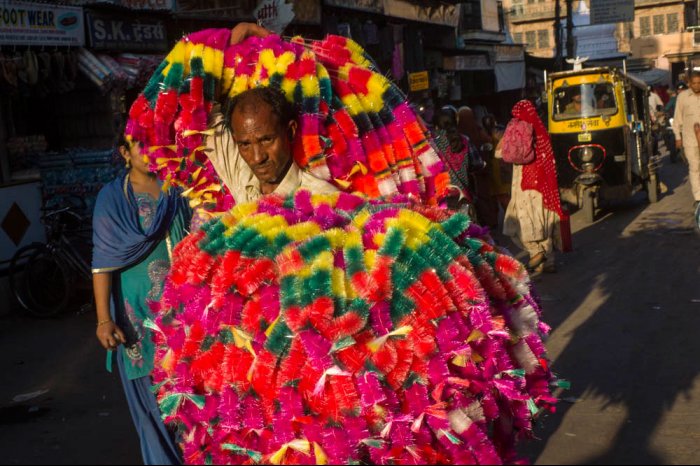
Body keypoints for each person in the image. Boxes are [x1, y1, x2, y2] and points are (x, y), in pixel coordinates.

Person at [92, 133, 192, 465]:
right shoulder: (112, 199)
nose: (151, 152)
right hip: (136, 325)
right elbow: (102, 263)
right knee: (153, 418)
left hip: (185, 320)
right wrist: (104, 320)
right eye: (140, 145)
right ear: (124, 152)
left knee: (192, 413)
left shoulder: (176, 189)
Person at [205, 87, 338, 204]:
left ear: (290, 132)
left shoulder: (324, 201)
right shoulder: (242, 176)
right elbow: (198, 108)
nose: (257, 158)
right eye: (245, 144)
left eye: (266, 140)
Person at [503, 100, 569, 273]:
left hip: (523, 183)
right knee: (544, 222)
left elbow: (501, 153)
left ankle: (536, 252)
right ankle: (548, 261)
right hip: (542, 186)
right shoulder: (541, 131)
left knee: (521, 219)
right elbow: (549, 161)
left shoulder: (515, 127)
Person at [433, 107, 477, 212]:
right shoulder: (465, 140)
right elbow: (476, 164)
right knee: (468, 226)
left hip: (442, 199)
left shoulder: (433, 144)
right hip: (464, 195)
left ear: (436, 127)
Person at [673, 71, 700, 209]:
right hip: (689, 140)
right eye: (694, 83)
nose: (696, 86)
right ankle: (698, 198)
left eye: (699, 83)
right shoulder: (682, 97)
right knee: (694, 168)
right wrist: (678, 137)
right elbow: (677, 118)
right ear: (689, 83)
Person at [483, 114, 512, 224]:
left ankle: (509, 218)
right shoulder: (499, 131)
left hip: (495, 167)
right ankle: (509, 217)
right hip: (501, 165)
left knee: (500, 195)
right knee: (503, 195)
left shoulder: (485, 133)